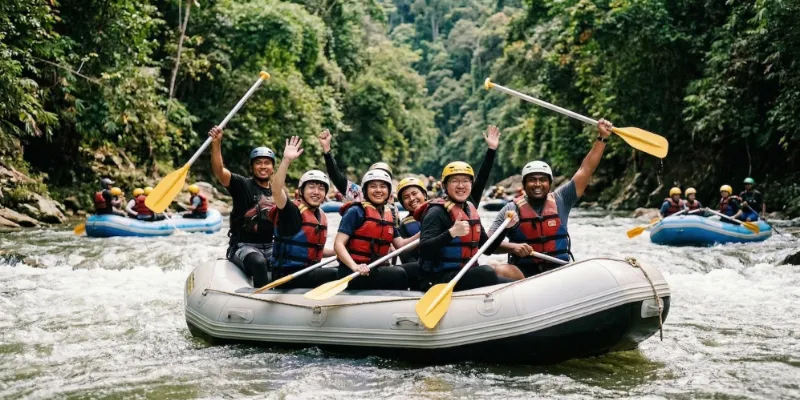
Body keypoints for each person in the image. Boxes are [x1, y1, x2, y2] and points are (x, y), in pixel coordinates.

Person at [489, 119, 615, 278]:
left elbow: (586, 169)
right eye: (532, 180)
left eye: (542, 180)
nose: (537, 184)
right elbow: (487, 244)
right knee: (498, 270)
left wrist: (602, 138)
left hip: (558, 271)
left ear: (550, 183)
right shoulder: (511, 209)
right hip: (524, 273)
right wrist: (512, 247)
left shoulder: (562, 199)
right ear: (524, 184)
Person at [415, 161, 520, 291]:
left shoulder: (470, 209)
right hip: (439, 279)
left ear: (471, 184)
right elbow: (424, 250)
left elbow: (487, 249)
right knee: (487, 272)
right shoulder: (436, 212)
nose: (461, 185)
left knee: (514, 285)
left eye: (465, 181)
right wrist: (451, 233)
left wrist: (505, 228)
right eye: (454, 181)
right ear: (444, 185)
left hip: (465, 274)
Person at [208, 125, 280, 288]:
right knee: (259, 263)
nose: (263, 166)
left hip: (271, 246)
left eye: (267, 163)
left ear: (272, 168)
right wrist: (216, 144)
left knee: (288, 262)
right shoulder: (242, 184)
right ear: (251, 167)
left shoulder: (277, 192)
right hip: (243, 246)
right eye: (258, 163)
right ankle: (262, 298)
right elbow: (219, 171)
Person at [267, 136, 337, 289]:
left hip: (308, 272)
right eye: (311, 187)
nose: (316, 192)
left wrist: (336, 252)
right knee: (336, 274)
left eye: (321, 188)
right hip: (287, 276)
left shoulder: (320, 215)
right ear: (301, 191)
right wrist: (286, 161)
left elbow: (312, 250)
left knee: (343, 268)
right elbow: (276, 191)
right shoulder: (291, 211)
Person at [335, 169, 420, 290]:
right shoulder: (355, 212)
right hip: (353, 273)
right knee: (398, 274)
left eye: (383, 186)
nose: (378, 190)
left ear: (388, 191)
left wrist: (422, 233)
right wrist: (355, 267)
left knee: (416, 268)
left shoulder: (387, 215)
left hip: (375, 269)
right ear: (365, 190)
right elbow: (338, 244)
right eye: (373, 186)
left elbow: (401, 245)